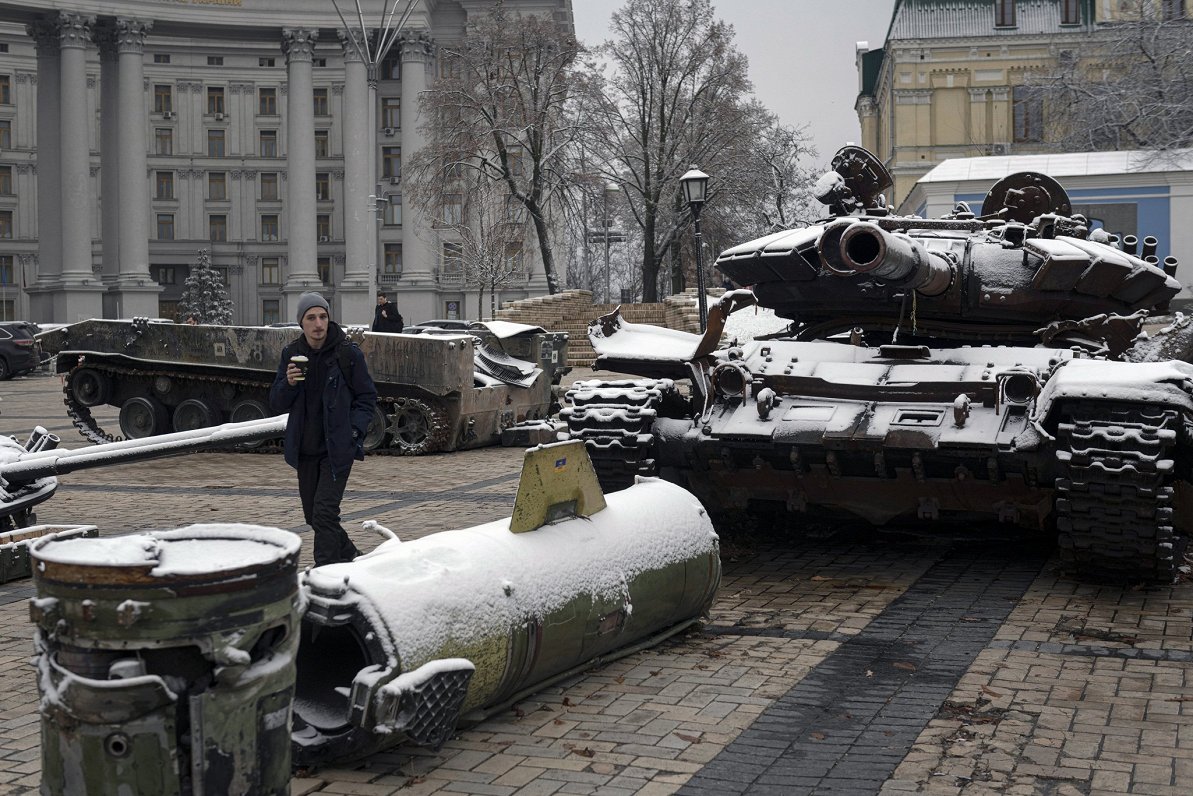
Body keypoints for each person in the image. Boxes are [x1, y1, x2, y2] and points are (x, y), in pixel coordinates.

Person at [270, 292, 378, 566]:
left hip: (336, 449)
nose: (318, 323)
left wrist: (354, 433)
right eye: (311, 318)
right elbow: (276, 402)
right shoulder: (292, 355)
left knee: (324, 514)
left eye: (323, 316)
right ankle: (352, 556)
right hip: (305, 450)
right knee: (313, 517)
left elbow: (366, 398)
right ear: (301, 323)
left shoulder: (346, 353)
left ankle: (325, 572)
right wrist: (288, 383)